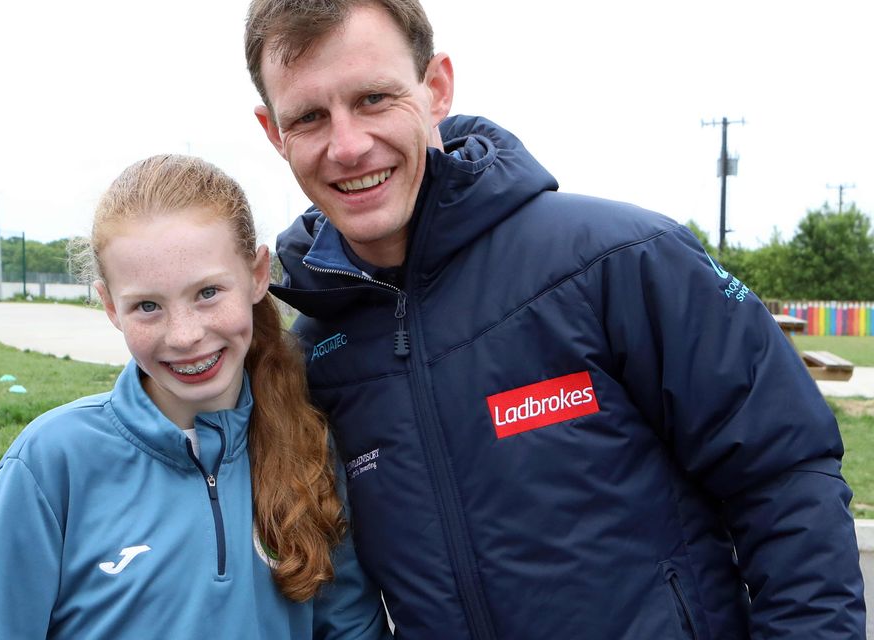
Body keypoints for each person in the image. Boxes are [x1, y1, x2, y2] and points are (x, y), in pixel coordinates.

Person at [244, 1, 866, 638]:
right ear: (274, 133)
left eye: (374, 98)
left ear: (435, 88)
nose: (348, 146)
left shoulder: (622, 262)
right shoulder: (315, 356)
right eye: (310, 117)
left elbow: (786, 487)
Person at [0, 155, 391, 639]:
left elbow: (350, 629)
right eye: (147, 306)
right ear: (110, 307)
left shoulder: (309, 447)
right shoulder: (49, 466)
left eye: (207, 293)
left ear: (258, 274)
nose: (184, 335)